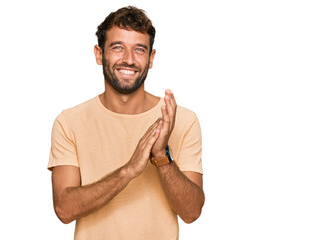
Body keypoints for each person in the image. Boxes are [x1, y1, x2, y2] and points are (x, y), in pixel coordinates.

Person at [48, 6, 204, 240]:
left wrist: (161, 156)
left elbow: (192, 212)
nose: (129, 60)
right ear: (99, 54)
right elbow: (64, 209)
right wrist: (129, 171)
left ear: (151, 59)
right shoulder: (69, 122)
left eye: (139, 49)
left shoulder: (182, 120)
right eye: (118, 47)